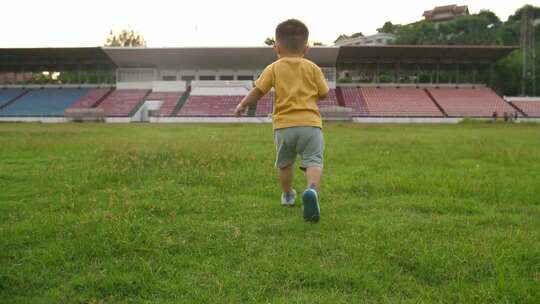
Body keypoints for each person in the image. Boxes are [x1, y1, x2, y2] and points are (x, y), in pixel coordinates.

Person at [233, 19, 328, 222]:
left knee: (285, 164)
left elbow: (259, 91)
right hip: (310, 124)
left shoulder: (274, 68)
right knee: (314, 161)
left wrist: (242, 105)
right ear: (306, 47)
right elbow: (324, 93)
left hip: (284, 126)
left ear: (276, 47)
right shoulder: (313, 68)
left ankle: (287, 195)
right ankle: (311, 190)